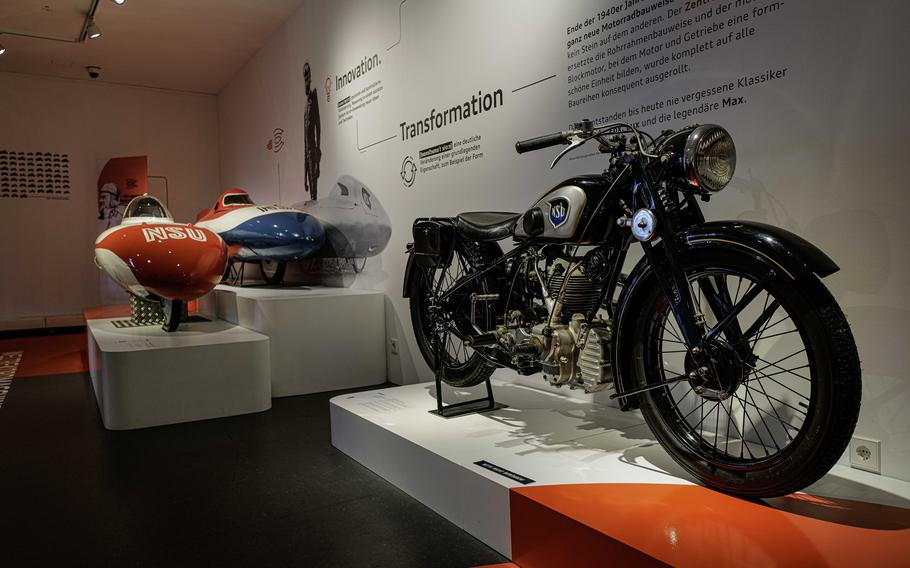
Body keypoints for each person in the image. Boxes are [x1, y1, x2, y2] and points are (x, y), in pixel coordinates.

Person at [304, 61, 322, 201]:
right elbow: (304, 142)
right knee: (311, 196)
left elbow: (318, 127)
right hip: (308, 155)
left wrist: (317, 163)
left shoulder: (313, 99)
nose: (306, 78)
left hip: (314, 153)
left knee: (314, 194)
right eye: (304, 75)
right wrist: (304, 176)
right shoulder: (305, 106)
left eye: (307, 75)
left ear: (310, 77)